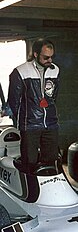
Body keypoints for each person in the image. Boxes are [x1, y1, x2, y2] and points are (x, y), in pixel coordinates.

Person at [8, 38, 60, 173]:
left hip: (51, 123)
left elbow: (53, 96)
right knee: (30, 161)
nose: (50, 60)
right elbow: (14, 101)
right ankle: (29, 191)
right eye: (46, 57)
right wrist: (18, 121)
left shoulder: (55, 70)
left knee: (51, 159)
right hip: (30, 123)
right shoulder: (21, 71)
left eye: (52, 57)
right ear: (36, 54)